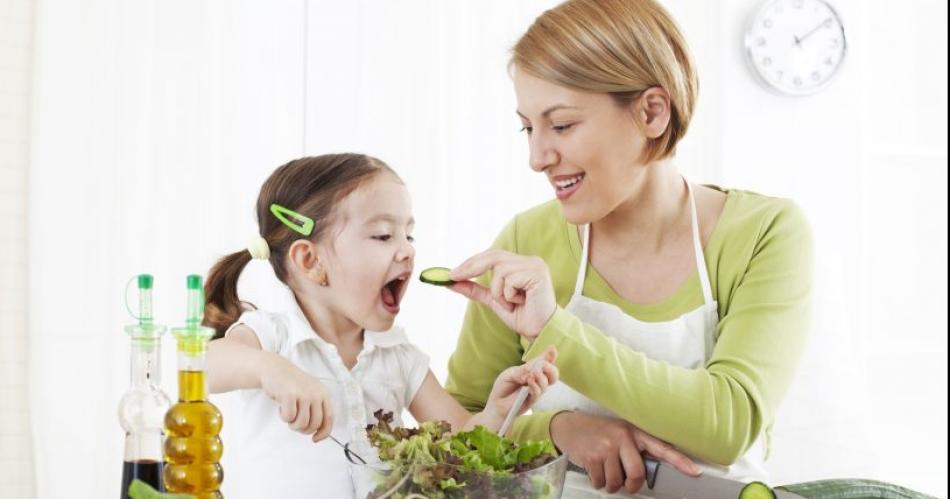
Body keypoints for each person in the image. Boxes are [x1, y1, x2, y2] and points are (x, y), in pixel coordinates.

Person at [443, 0, 813, 495]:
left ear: (651, 112)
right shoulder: (525, 242)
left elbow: (729, 423)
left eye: (563, 124)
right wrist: (558, 431)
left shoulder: (764, 233)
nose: (537, 157)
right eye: (528, 127)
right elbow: (457, 429)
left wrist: (554, 331)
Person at [201, 154, 559, 499]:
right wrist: (271, 370)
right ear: (311, 261)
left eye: (409, 236)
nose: (407, 251)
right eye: (384, 236)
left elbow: (460, 442)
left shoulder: (398, 355)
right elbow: (200, 363)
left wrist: (498, 410)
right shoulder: (273, 336)